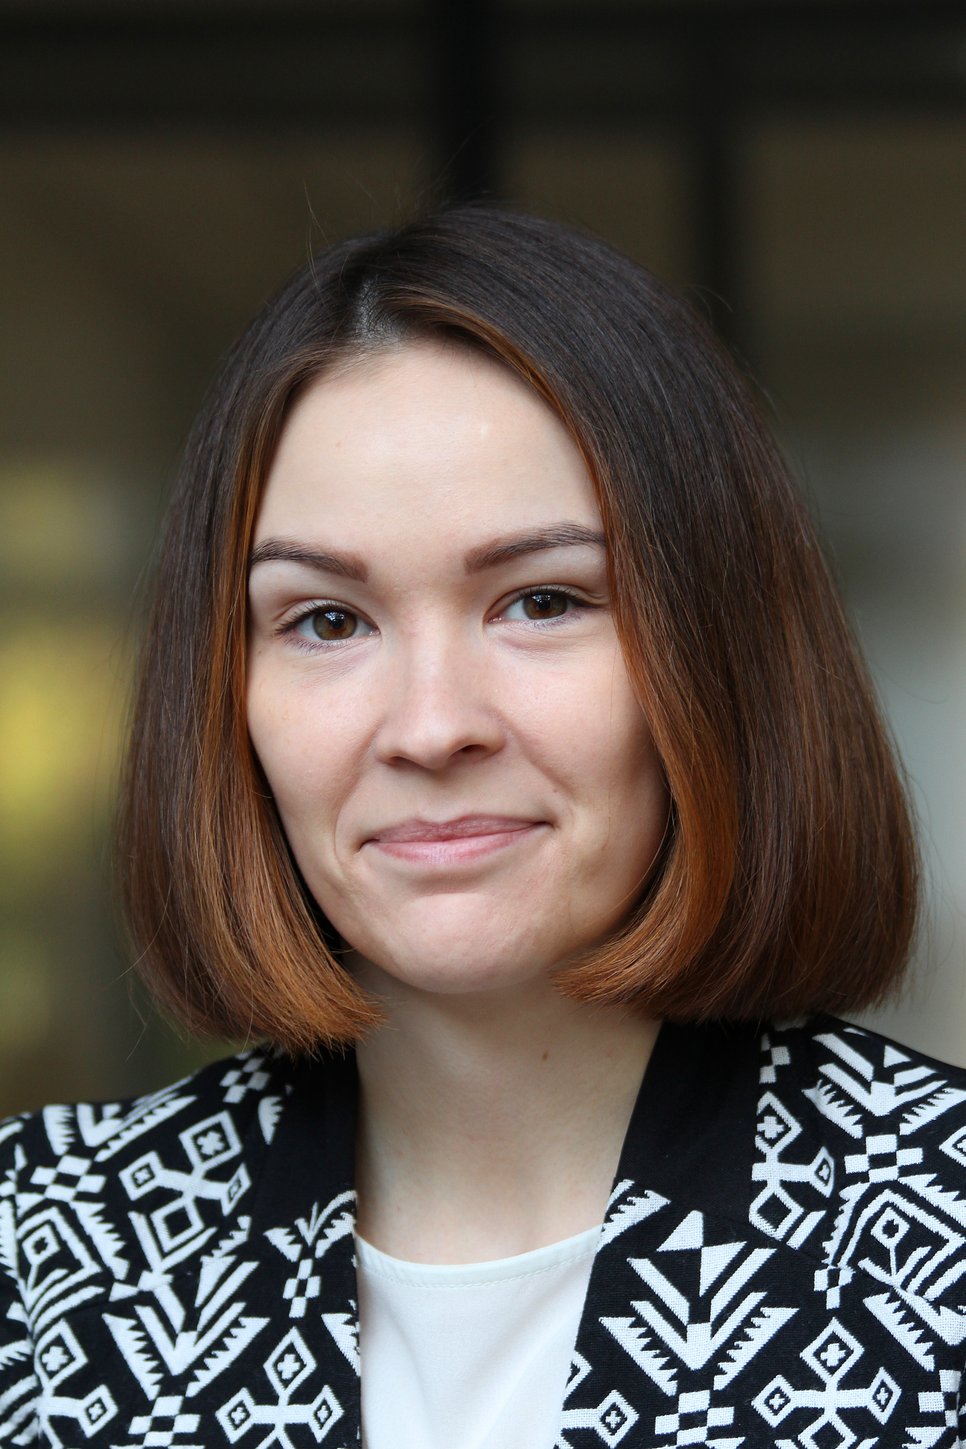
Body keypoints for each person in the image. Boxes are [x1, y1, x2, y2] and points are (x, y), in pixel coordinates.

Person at [0, 206, 963, 1449]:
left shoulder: (936, 1234)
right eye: (327, 621)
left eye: (543, 599)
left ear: (719, 660)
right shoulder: (45, 1253)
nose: (431, 725)